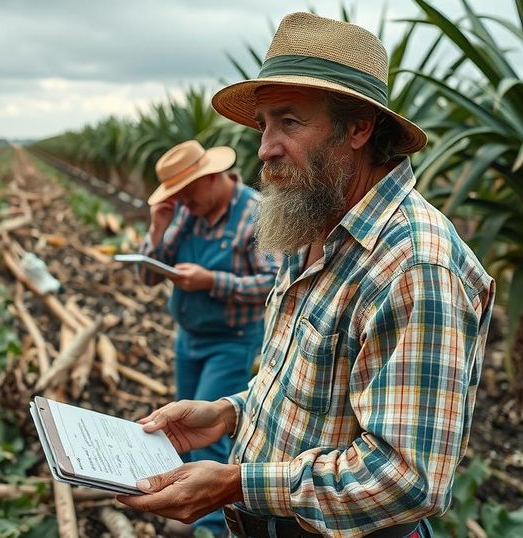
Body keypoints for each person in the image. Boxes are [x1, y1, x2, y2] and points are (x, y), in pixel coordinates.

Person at [119, 13, 495, 538]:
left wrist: (235, 484)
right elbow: (309, 391)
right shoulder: (310, 222)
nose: (266, 147)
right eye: (264, 124)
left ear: (359, 126)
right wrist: (229, 412)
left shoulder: (414, 265)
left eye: (289, 122)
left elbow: (408, 479)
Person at [137, 139, 279, 536]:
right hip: (189, 337)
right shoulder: (184, 215)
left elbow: (274, 282)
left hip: (232, 340)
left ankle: (214, 525)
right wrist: (157, 229)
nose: (183, 200)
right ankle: (191, 505)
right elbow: (147, 275)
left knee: (211, 433)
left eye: (188, 190)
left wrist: (211, 281)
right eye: (175, 195)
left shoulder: (257, 214)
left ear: (213, 176)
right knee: (183, 428)